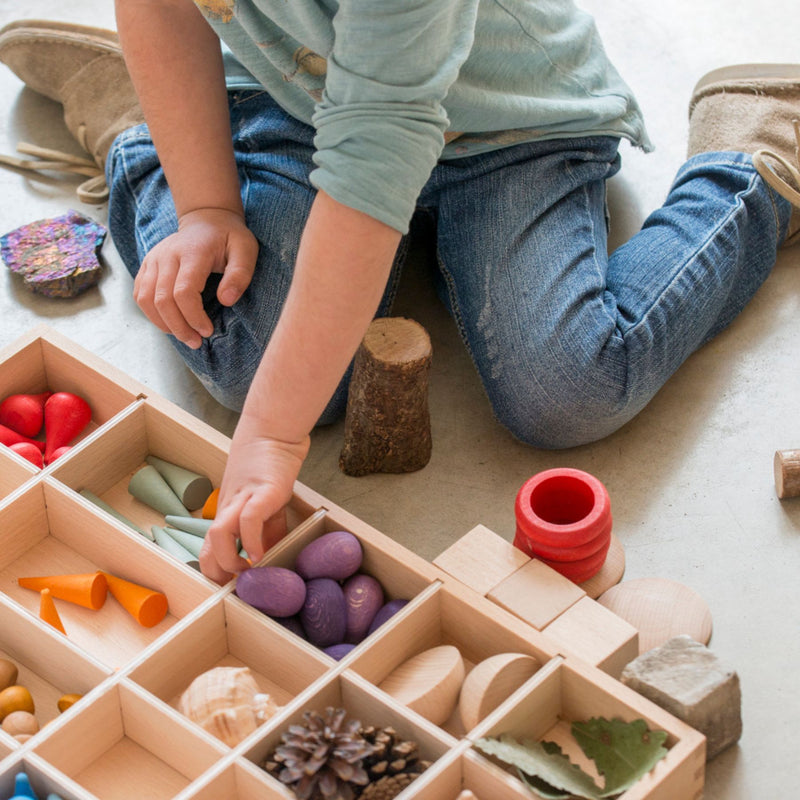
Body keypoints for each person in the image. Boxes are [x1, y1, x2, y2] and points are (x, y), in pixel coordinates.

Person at [1, 3, 798, 586]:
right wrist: (205, 203)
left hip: (508, 121)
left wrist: (274, 438)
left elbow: (368, 176)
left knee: (571, 390)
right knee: (247, 358)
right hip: (289, 94)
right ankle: (144, 119)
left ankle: (748, 159)